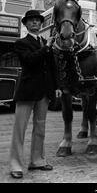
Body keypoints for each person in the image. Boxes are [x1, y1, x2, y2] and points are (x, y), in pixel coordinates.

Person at [9, 10, 61, 179]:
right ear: (26, 24)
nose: (35, 23)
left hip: (44, 91)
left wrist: (57, 87)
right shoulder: (21, 43)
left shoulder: (46, 42)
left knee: (40, 128)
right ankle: (16, 165)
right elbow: (30, 60)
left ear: (41, 24)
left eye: (38, 21)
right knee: (20, 129)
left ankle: (37, 161)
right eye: (31, 21)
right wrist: (46, 48)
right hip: (27, 91)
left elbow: (52, 67)